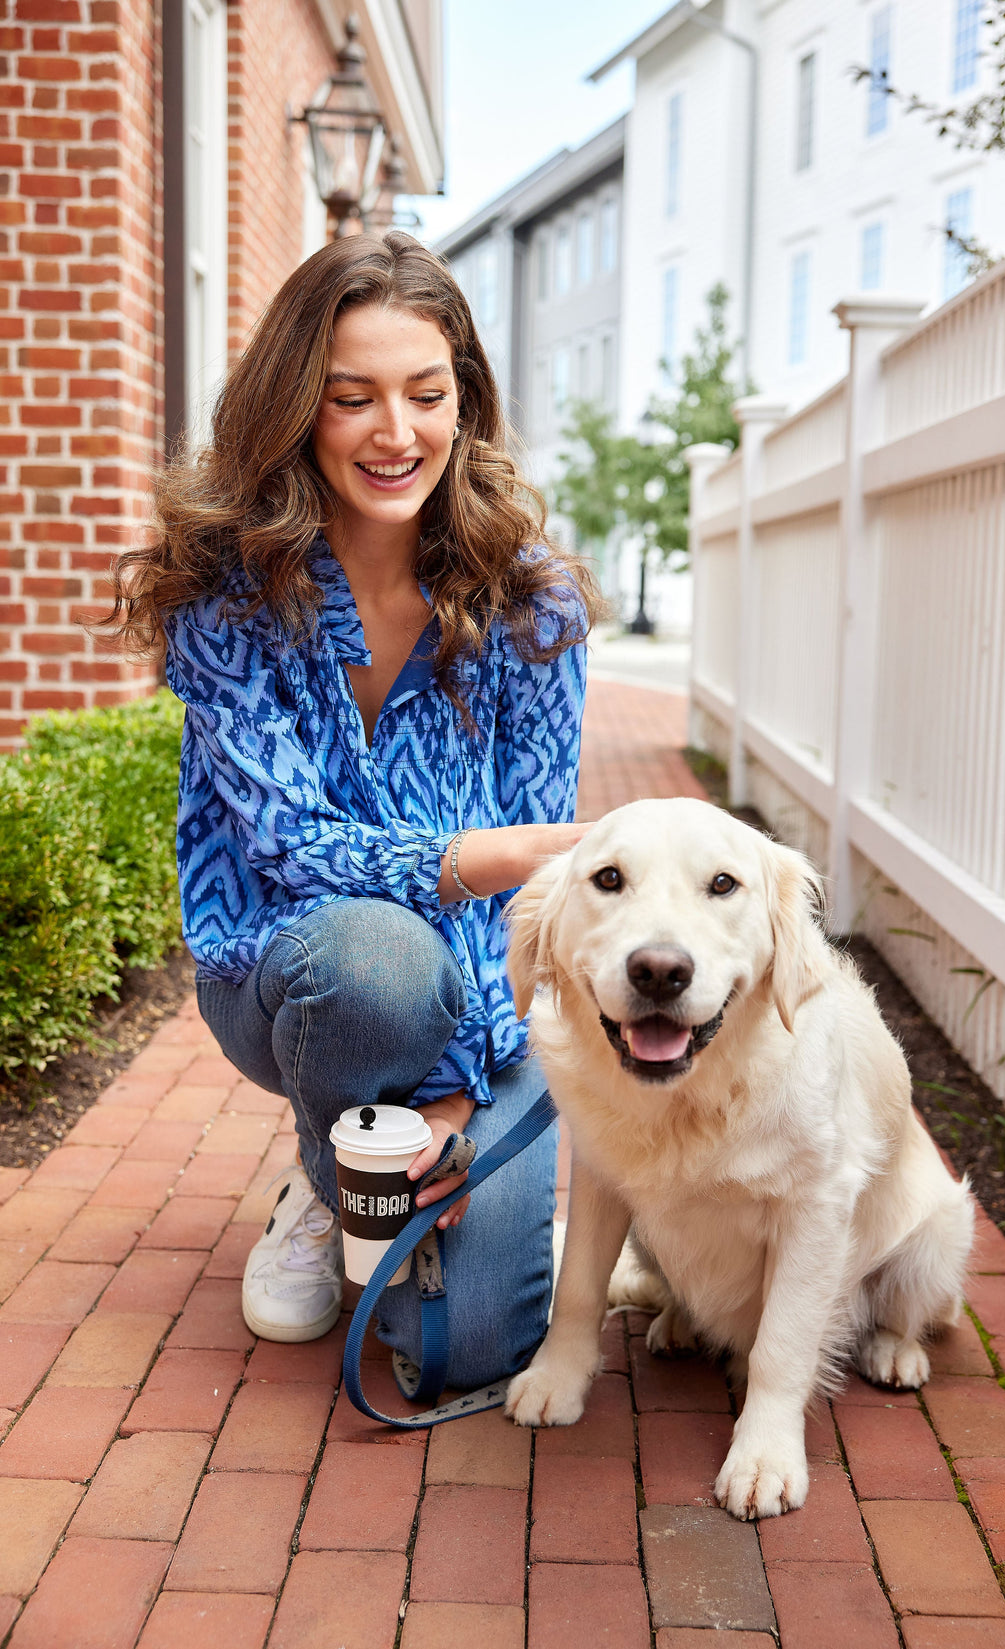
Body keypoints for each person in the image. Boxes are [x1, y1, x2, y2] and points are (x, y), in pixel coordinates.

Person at [104, 231, 602, 1389]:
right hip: (288, 971)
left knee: (466, 1350)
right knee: (374, 958)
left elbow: (530, 896)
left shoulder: (535, 609)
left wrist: (453, 1088)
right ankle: (330, 1184)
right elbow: (289, 848)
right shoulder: (225, 598)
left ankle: (386, 1154)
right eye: (351, 398)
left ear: (462, 402)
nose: (396, 433)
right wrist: (477, 853)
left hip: (479, 996)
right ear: (296, 409)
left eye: (427, 394)